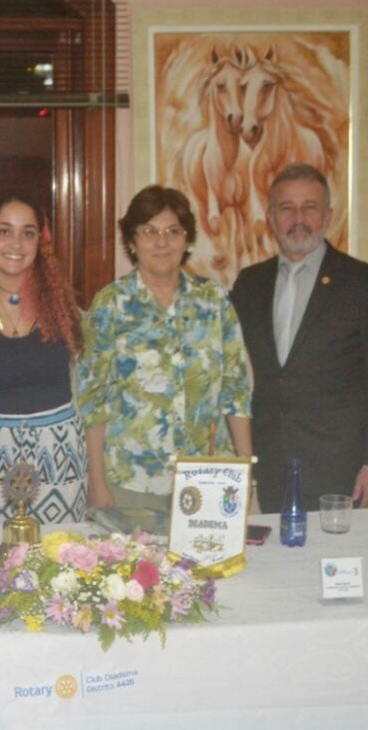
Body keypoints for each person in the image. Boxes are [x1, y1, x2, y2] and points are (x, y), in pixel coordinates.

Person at [77, 186, 252, 512]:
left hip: (207, 476)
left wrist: (244, 470)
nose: (162, 242)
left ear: (186, 240)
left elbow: (236, 389)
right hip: (132, 481)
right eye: (149, 231)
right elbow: (92, 401)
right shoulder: (111, 304)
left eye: (173, 231)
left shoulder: (213, 301)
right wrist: (96, 483)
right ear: (132, 241)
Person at [230, 164, 368, 512]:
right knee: (279, 546)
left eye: (309, 207)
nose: (298, 218)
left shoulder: (365, 283)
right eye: (286, 208)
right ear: (271, 218)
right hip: (273, 460)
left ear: (328, 215)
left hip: (341, 465)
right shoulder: (249, 284)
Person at [0, 191, 87, 524]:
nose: (16, 243)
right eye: (4, 231)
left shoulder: (62, 304)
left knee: (60, 553)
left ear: (41, 242)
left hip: (59, 454)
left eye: (28, 233)